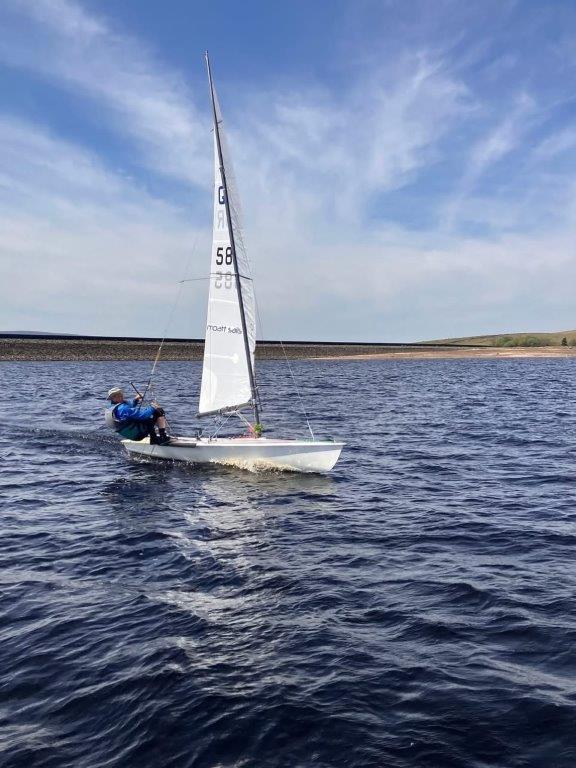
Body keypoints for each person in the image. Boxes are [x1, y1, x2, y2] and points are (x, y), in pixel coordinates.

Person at [105, 387, 170, 444]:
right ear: (112, 398)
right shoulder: (123, 408)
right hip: (138, 434)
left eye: (121, 394)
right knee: (158, 412)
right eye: (117, 395)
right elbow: (143, 415)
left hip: (130, 433)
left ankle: (154, 439)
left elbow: (128, 409)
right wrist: (153, 407)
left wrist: (135, 400)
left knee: (147, 417)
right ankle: (162, 437)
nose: (121, 396)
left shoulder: (112, 407)